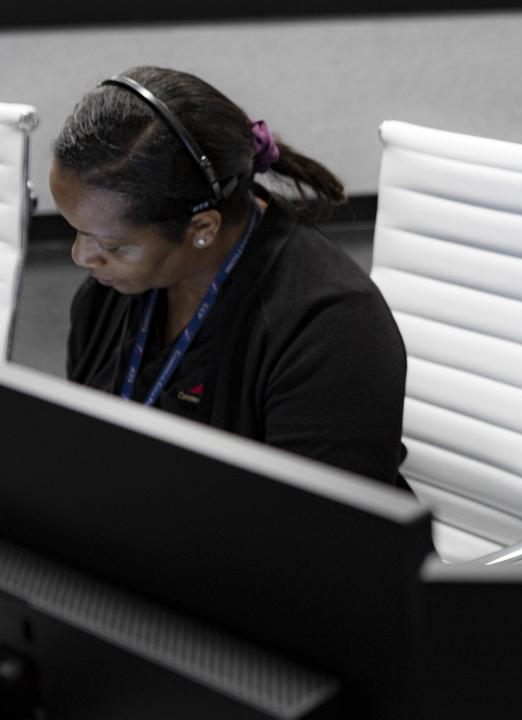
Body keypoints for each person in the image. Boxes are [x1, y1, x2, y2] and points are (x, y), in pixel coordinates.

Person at [52, 66, 409, 488]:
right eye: (76, 231)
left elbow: (317, 537)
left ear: (202, 228)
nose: (81, 257)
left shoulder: (332, 329)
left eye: (111, 245)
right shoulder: (110, 293)